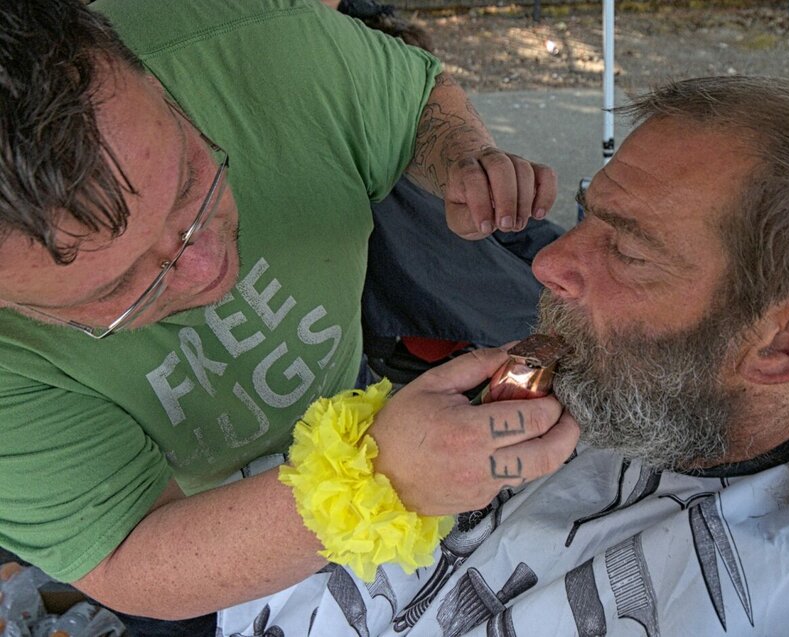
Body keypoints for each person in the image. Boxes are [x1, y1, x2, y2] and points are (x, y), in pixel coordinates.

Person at [0, 0, 581, 629]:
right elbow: (126, 553)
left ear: (152, 80)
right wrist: (370, 480)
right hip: (194, 533)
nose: (211, 272)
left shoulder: (253, 38)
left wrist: (463, 157)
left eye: (191, 184)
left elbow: (415, 99)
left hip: (341, 393)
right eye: (124, 284)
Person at [218, 75, 789, 636]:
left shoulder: (781, 596)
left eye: (629, 253)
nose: (547, 264)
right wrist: (371, 471)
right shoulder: (588, 382)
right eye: (587, 215)